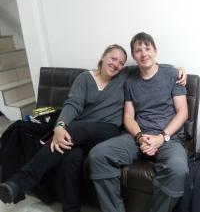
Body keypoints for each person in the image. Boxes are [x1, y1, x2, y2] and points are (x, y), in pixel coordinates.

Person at [0, 44, 186, 212]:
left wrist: (177, 70)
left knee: (73, 131)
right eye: (113, 59)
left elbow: (149, 63)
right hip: (82, 133)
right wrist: (59, 126)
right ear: (103, 57)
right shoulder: (84, 79)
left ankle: (21, 180)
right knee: (69, 158)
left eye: (121, 62)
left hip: (108, 129)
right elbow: (72, 104)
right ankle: (70, 209)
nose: (116, 64)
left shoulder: (124, 76)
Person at [89, 32, 189, 212]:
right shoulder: (130, 81)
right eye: (138, 50)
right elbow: (128, 116)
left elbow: (183, 113)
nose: (143, 53)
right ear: (134, 56)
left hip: (168, 139)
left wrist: (161, 138)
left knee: (178, 169)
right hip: (137, 137)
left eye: (147, 48)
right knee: (98, 154)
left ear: (155, 51)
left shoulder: (173, 74)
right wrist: (140, 136)